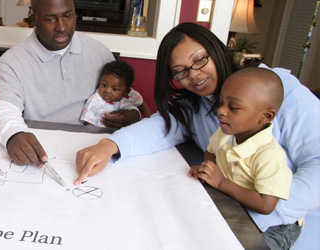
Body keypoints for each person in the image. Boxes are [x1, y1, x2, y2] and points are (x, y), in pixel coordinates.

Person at [75, 22, 319, 249]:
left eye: (200, 60)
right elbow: (159, 127)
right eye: (180, 72)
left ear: (217, 50)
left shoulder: (277, 88)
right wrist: (110, 144)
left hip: (272, 216)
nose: (193, 75)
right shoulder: (192, 105)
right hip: (222, 202)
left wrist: (262, 209)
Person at [0, 0, 124, 167]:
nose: (61, 27)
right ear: (33, 18)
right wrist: (13, 134)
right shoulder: (10, 63)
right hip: (42, 151)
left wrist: (132, 114)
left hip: (95, 148)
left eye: (67, 16)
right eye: (50, 19)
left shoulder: (100, 52)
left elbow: (125, 98)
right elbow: (4, 106)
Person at [189, 68, 301, 249]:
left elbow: (266, 205)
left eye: (233, 107)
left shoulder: (269, 155)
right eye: (221, 102)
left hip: (276, 226)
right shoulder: (225, 132)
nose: (221, 111)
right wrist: (207, 169)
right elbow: (211, 151)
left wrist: (221, 182)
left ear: (266, 116)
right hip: (236, 207)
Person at [80, 60, 151, 127]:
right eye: (104, 85)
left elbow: (142, 104)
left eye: (114, 89)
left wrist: (149, 121)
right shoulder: (95, 100)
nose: (107, 91)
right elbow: (89, 125)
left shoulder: (131, 95)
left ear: (126, 91)